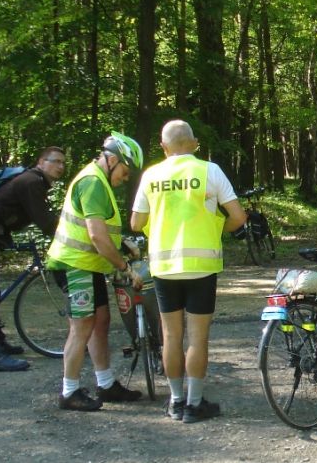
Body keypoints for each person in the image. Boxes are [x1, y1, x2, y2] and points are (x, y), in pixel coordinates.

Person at [130, 120, 246, 423]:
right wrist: (216, 230)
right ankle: (194, 405)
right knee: (197, 338)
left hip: (164, 267)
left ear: (163, 147)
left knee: (171, 336)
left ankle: (176, 401)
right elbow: (238, 217)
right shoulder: (210, 171)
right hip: (201, 266)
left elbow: (135, 223)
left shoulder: (151, 175)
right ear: (194, 143)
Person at [48, 133, 146, 411]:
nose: (126, 178)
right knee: (82, 327)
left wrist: (122, 243)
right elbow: (97, 237)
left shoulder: (99, 181)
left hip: (88, 266)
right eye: (125, 171)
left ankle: (106, 384)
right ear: (112, 160)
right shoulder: (92, 182)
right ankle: (69, 392)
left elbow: (102, 231)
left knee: (101, 321)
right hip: (75, 265)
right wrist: (125, 268)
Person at [0, 146, 66, 372]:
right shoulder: (31, 182)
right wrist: (72, 236)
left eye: (63, 163)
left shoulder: (35, 182)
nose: (60, 166)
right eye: (55, 161)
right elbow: (46, 223)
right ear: (41, 162)